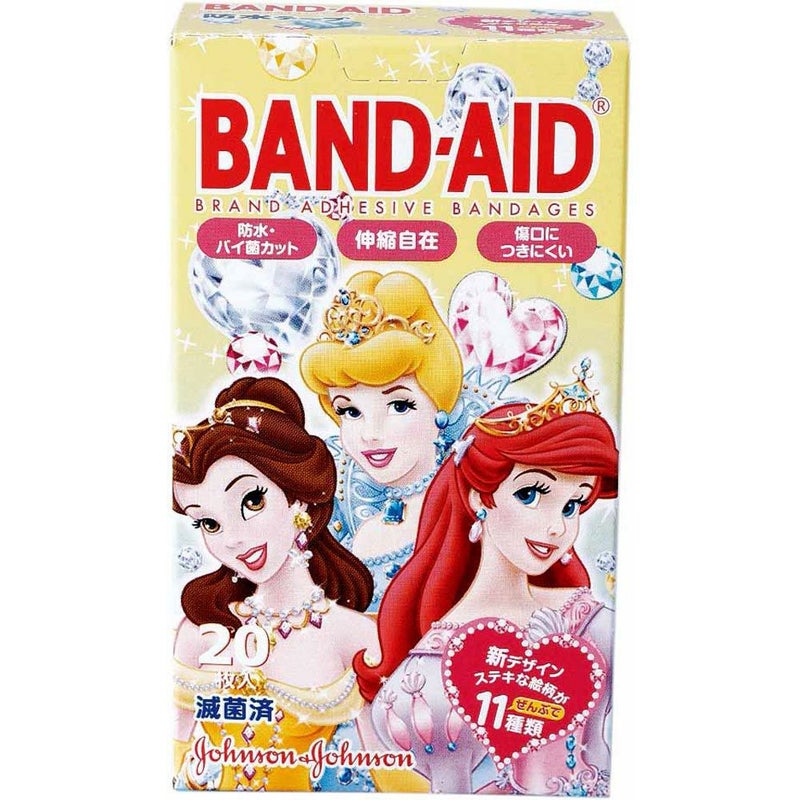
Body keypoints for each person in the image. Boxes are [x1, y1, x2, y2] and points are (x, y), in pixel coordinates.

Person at [354, 362, 619, 796]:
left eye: (572, 505)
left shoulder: (592, 621)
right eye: (530, 494)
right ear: (479, 496)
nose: (556, 527)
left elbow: (603, 755)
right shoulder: (428, 674)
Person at [171, 377, 378, 791]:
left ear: (299, 495)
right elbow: (170, 755)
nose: (232, 539)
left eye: (252, 501)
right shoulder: (200, 631)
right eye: (208, 523)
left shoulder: (354, 634)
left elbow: (386, 767)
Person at [300, 270, 465, 612]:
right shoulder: (354, 529)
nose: (370, 433)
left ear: (440, 407)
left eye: (399, 405)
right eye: (350, 411)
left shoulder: (471, 511)